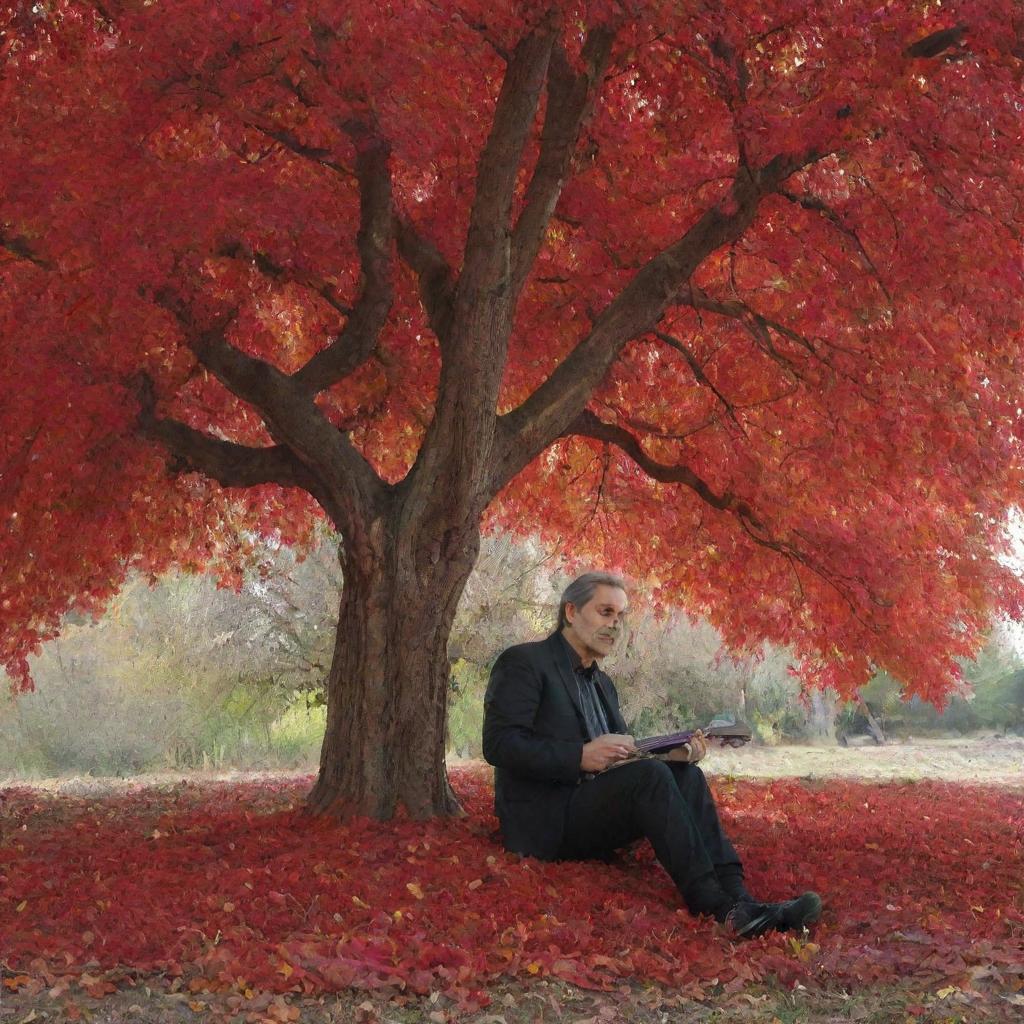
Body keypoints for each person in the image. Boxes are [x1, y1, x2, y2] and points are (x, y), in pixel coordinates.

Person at [482, 571, 821, 939]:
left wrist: (670, 755)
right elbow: (499, 744)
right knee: (650, 778)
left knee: (685, 775)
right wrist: (578, 755)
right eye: (605, 612)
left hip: (590, 811)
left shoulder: (603, 684)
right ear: (571, 611)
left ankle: (741, 899)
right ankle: (717, 907)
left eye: (620, 616)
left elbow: (622, 763)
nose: (614, 625)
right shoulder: (524, 662)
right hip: (543, 822)